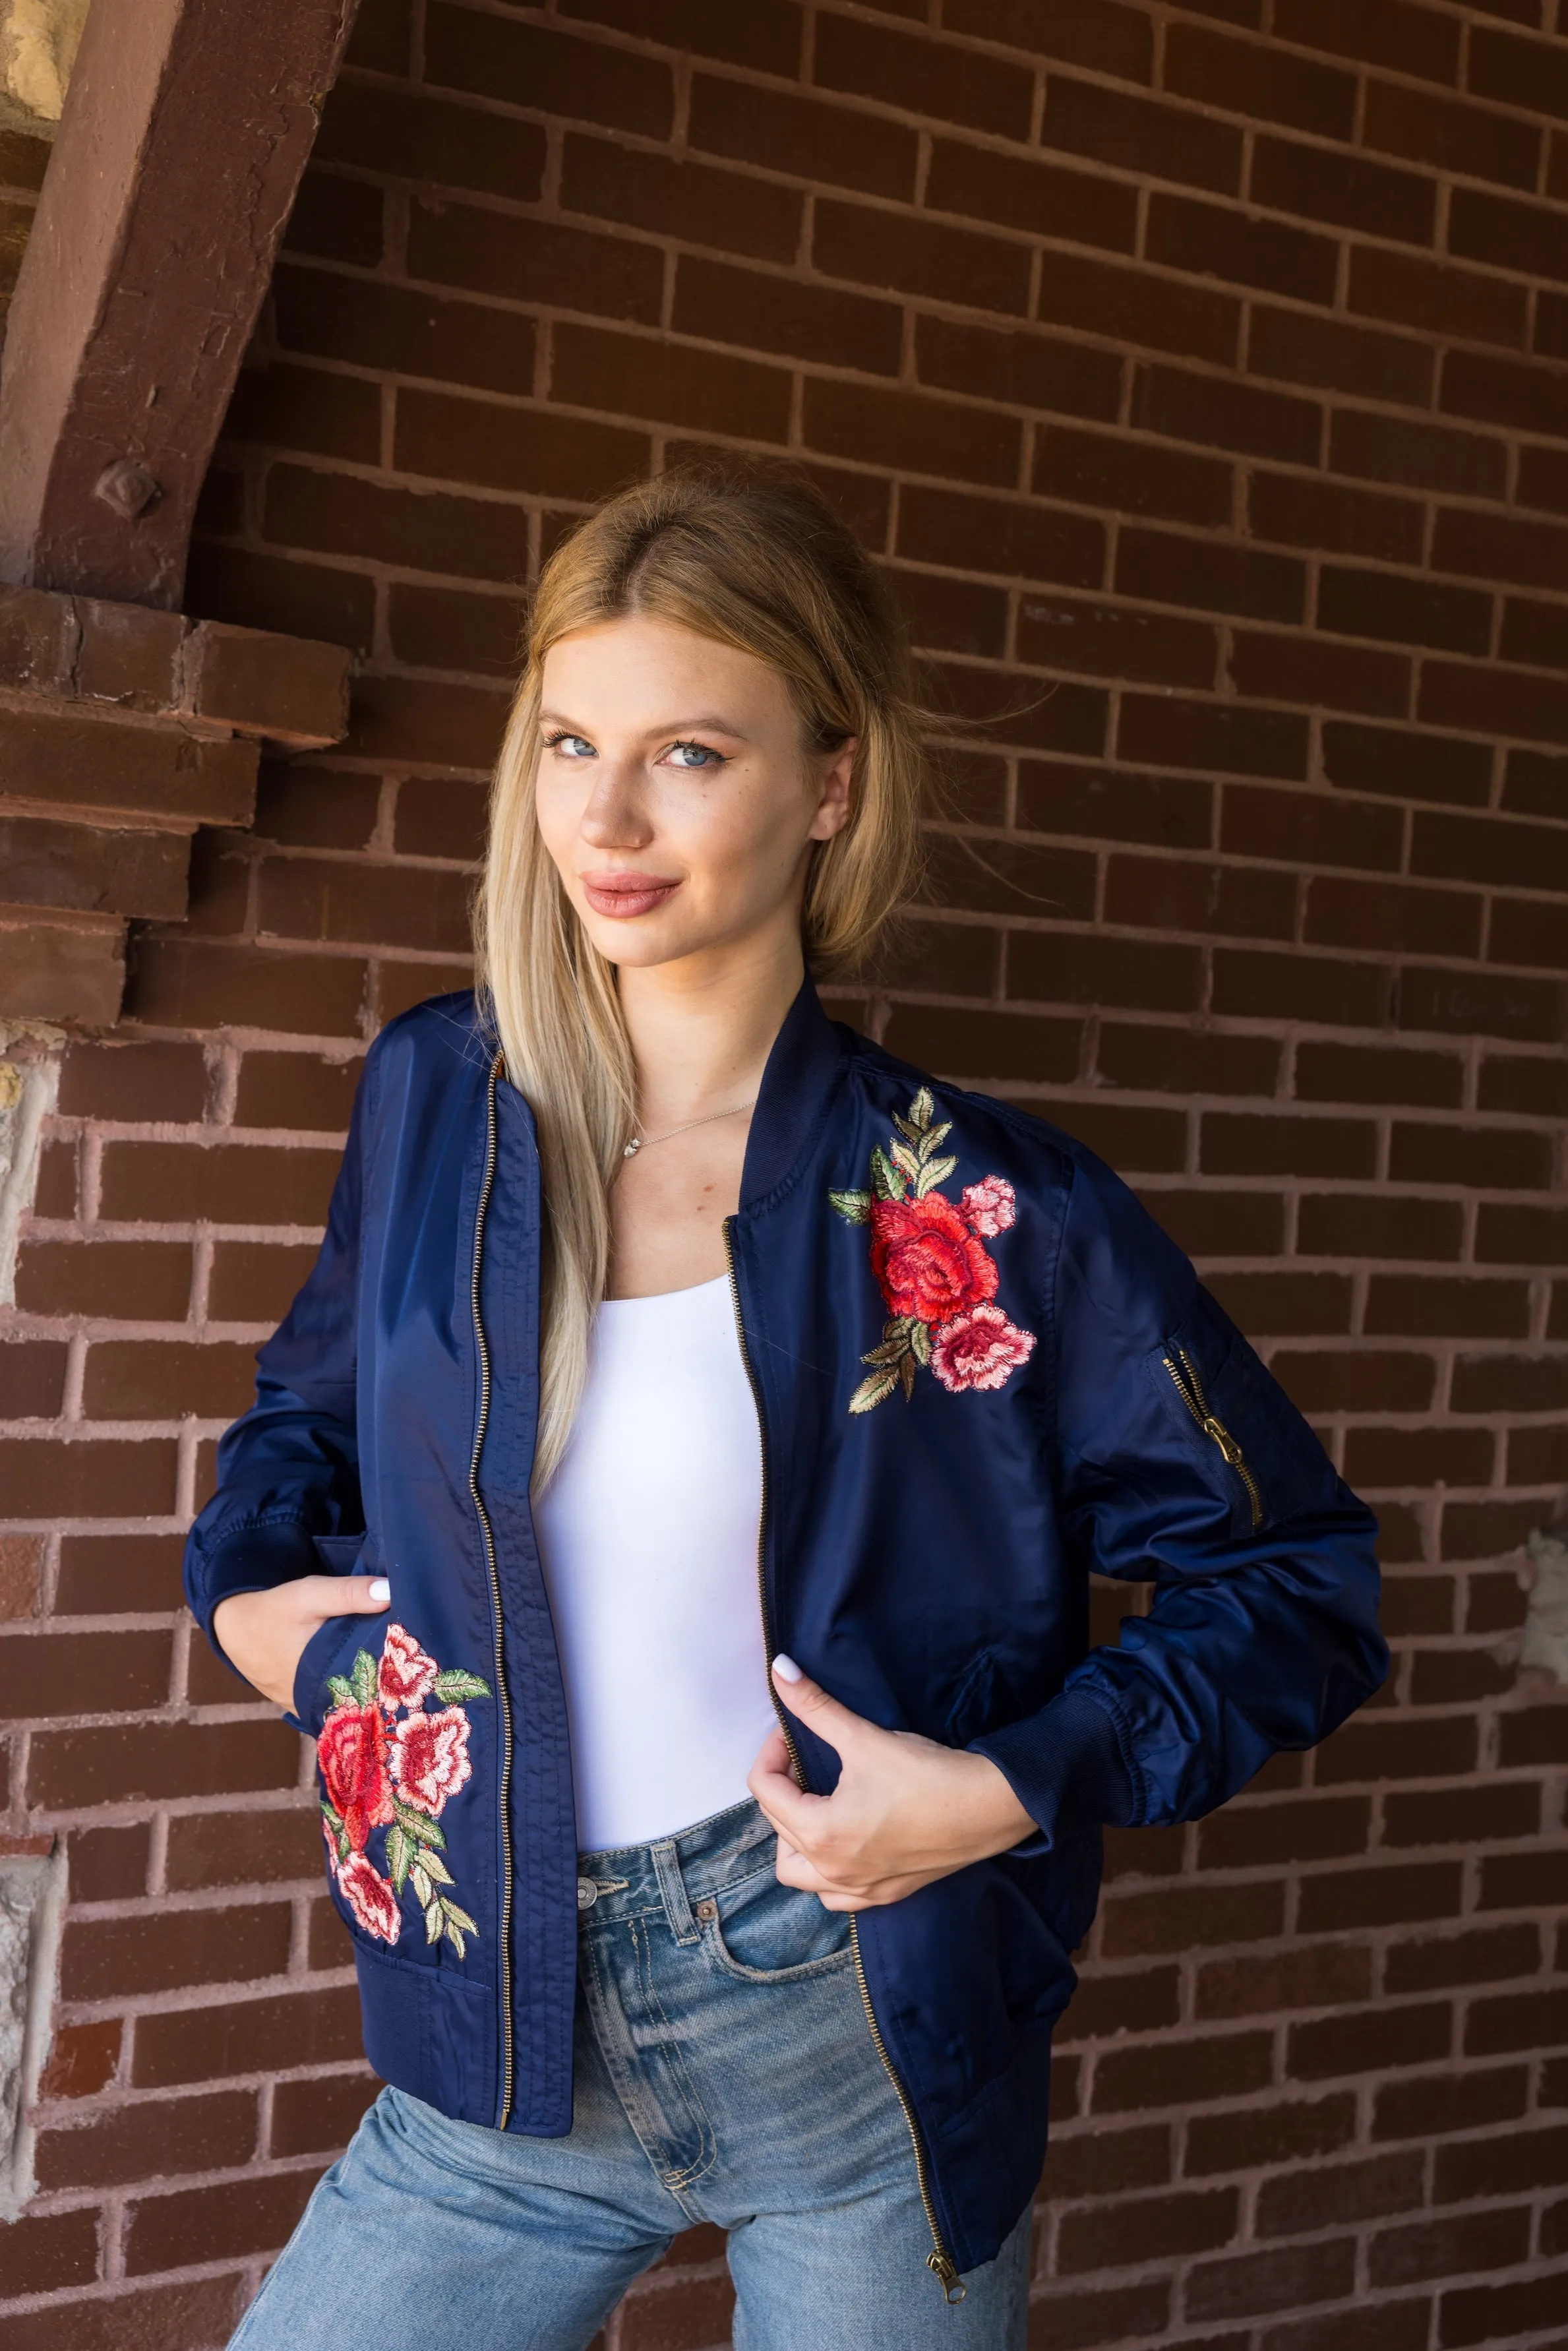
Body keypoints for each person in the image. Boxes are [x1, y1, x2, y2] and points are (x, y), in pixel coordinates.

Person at [185, 464, 1385, 2351]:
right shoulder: (440, 1096)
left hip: (855, 2028)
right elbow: (299, 1434)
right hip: (501, 2012)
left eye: (688, 753)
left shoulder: (986, 1207)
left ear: (832, 781)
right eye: (571, 740)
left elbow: (1300, 1583)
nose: (605, 814)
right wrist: (252, 1598)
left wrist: (1001, 1789)